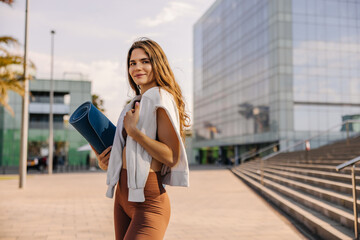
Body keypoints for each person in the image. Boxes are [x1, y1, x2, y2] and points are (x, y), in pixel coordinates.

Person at [92, 38, 190, 240]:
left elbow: (172, 156)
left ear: (157, 64)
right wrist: (106, 162)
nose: (138, 67)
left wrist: (135, 132)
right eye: (132, 63)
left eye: (145, 61)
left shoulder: (160, 97)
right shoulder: (135, 104)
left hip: (149, 203)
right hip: (122, 197)